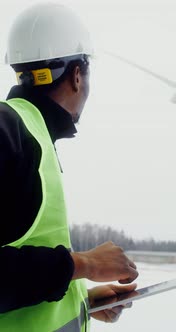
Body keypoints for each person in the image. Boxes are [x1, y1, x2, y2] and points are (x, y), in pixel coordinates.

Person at [0, 2, 138, 331]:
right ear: (77, 76)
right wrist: (85, 263)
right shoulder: (10, 130)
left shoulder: (29, 133)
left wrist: (80, 300)